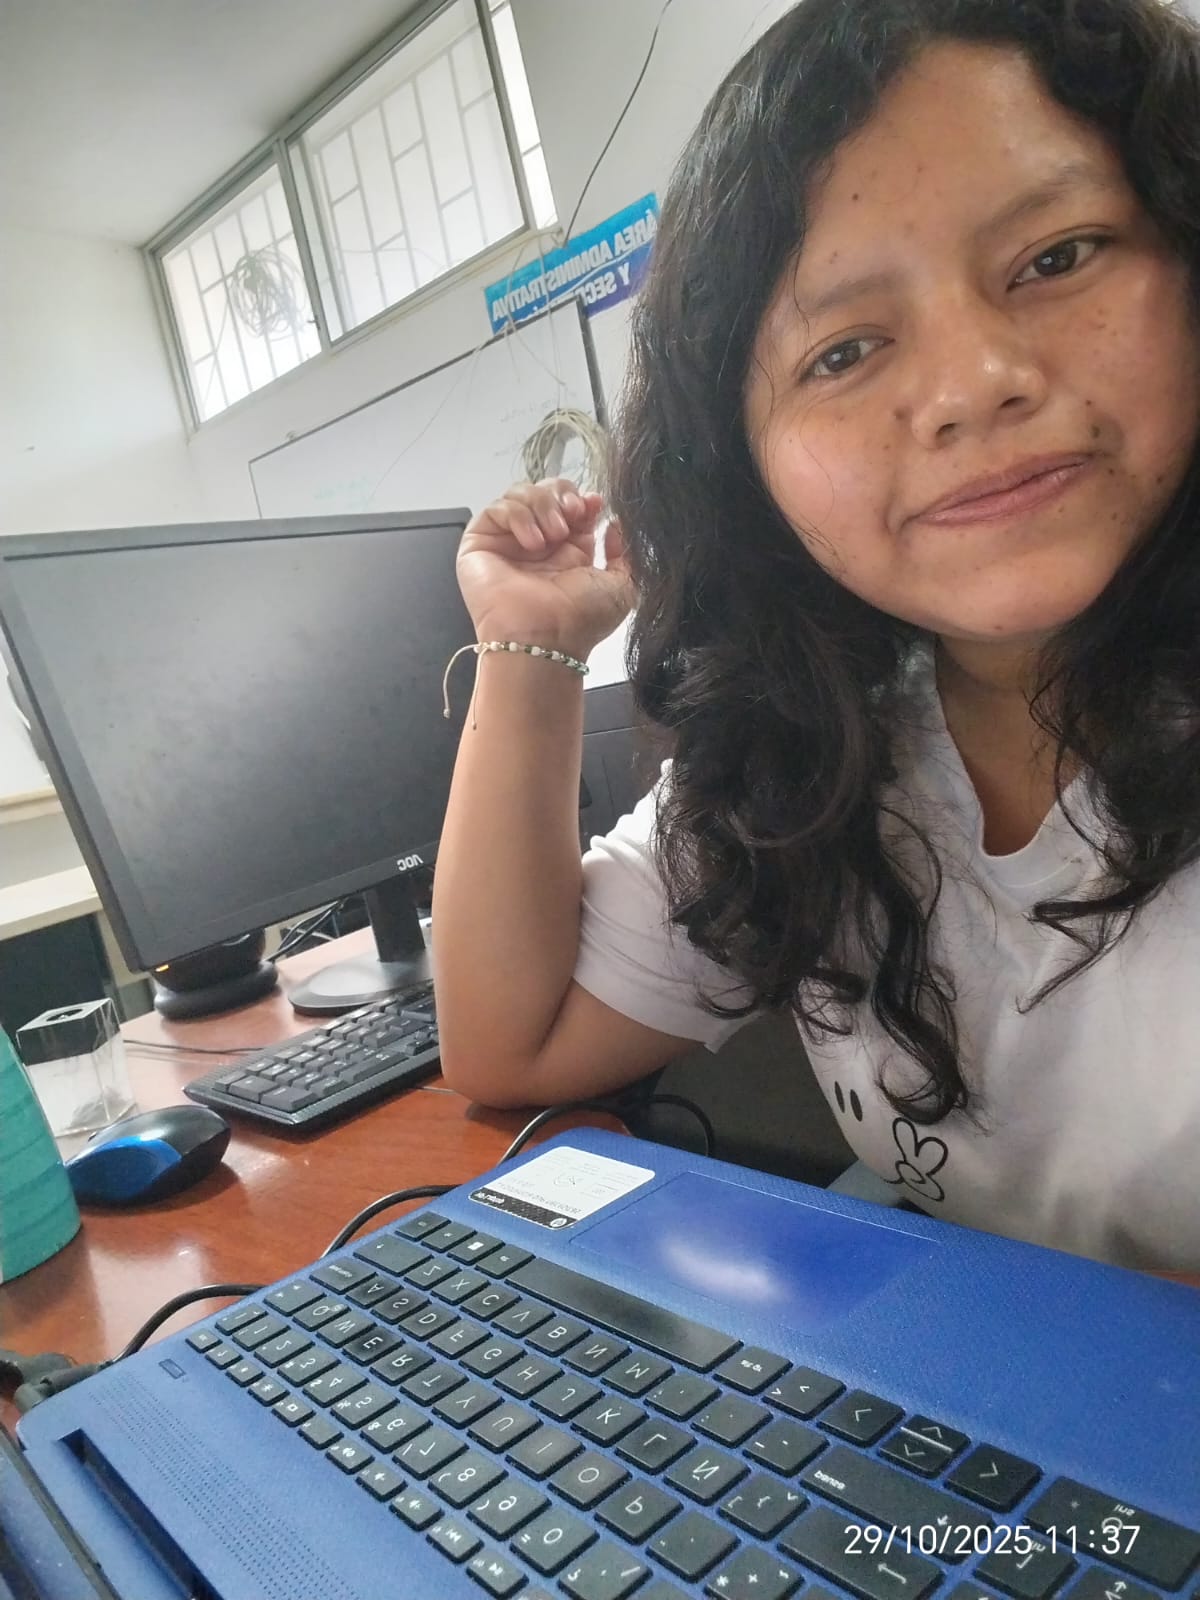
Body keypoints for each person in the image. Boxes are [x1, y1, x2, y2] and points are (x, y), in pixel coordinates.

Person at [433, 0, 1200, 1273]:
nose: (972, 385)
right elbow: (510, 1042)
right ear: (748, 463)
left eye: (1057, 257)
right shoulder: (823, 752)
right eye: (842, 351)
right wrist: (532, 647)